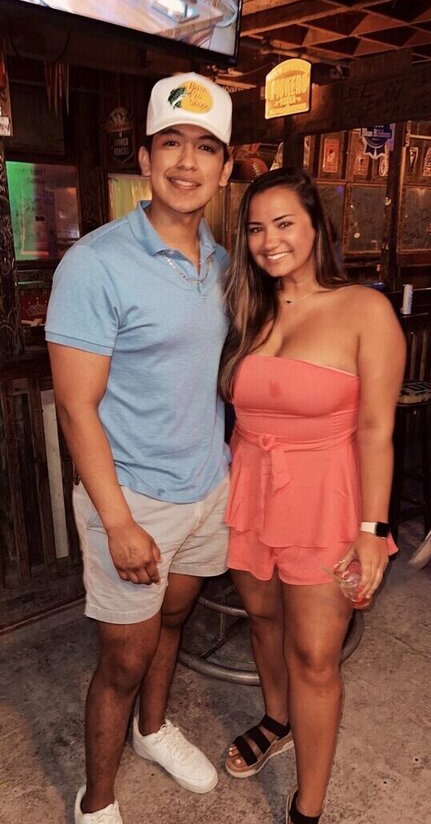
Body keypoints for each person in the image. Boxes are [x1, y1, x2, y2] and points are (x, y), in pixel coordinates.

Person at [45, 72, 233, 824]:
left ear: (226, 166)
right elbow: (76, 406)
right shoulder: (96, 262)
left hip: (207, 488)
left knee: (175, 625)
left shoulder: (225, 263)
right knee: (123, 659)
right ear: (146, 159)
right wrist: (118, 521)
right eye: (172, 144)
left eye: (206, 146)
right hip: (133, 499)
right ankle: (96, 800)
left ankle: (152, 732)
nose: (187, 162)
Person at [219, 168, 406, 824]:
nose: (269, 241)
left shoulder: (364, 310)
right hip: (251, 490)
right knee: (263, 620)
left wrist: (371, 530)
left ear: (316, 227)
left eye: (284, 224)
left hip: (328, 499)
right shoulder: (248, 306)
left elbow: (377, 429)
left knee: (316, 658)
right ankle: (277, 719)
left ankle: (307, 809)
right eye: (255, 229)